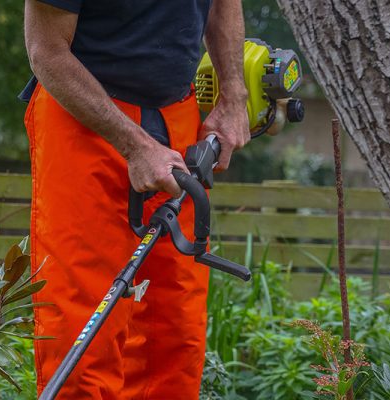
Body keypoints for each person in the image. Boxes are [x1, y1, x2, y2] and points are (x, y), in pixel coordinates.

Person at [21, 0, 249, 398]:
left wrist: (233, 96)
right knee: (85, 329)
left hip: (177, 117)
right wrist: (136, 146)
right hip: (84, 121)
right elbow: (47, 52)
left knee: (175, 332)